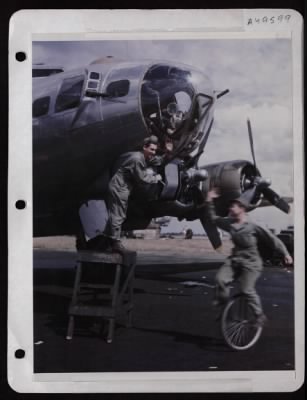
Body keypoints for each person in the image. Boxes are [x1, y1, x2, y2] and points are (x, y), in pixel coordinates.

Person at [206, 188, 293, 326]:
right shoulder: (230, 223)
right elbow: (213, 219)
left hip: (251, 263)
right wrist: (209, 200)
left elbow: (271, 239)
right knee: (220, 279)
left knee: (246, 290)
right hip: (235, 260)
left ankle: (259, 315)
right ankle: (224, 309)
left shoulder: (253, 225)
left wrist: (286, 253)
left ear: (242, 208)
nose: (230, 208)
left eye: (233, 206)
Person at [98, 135, 163, 254]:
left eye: (155, 150)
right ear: (144, 147)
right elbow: (142, 179)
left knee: (116, 214)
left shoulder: (138, 156)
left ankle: (105, 241)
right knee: (118, 215)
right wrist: (156, 178)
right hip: (120, 188)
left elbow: (152, 160)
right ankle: (115, 243)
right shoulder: (137, 159)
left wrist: (165, 156)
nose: (153, 152)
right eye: (151, 150)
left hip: (119, 186)